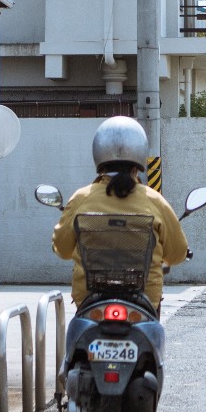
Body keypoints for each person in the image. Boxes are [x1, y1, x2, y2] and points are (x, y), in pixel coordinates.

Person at [52, 116, 191, 310]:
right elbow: (176, 254)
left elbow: (62, 249)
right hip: (143, 302)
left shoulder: (81, 198)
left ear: (99, 155)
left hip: (90, 301)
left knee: (76, 337)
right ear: (139, 158)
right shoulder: (154, 200)